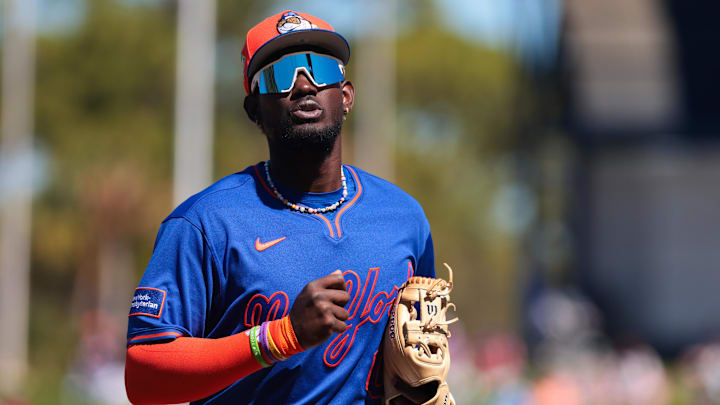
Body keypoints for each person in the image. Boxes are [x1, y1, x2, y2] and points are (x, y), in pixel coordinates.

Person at [124, 10, 436, 405]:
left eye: (320, 68)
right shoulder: (205, 223)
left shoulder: (403, 218)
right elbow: (144, 376)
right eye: (279, 74)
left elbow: (423, 354)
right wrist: (282, 335)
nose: (303, 85)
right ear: (254, 109)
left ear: (346, 96)